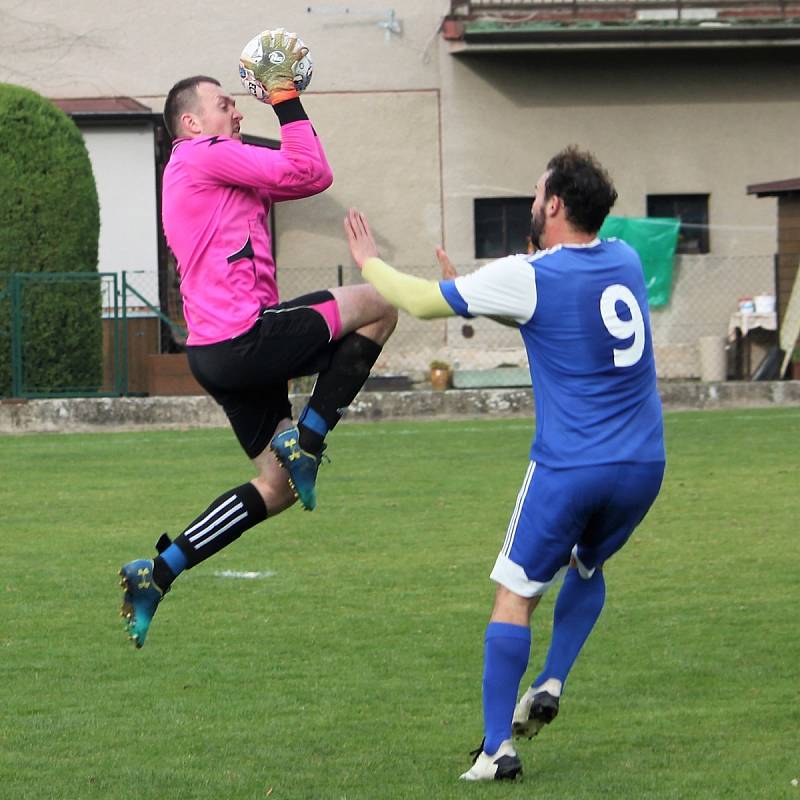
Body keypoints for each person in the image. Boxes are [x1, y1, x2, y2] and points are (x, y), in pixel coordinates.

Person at [343, 146, 665, 782]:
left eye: (537, 192)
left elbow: (423, 301)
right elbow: (560, 318)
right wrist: (479, 288)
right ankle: (551, 678)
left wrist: (368, 262)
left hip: (572, 466)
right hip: (644, 462)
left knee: (515, 595)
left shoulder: (530, 273)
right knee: (588, 564)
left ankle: (495, 751)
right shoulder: (624, 258)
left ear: (556, 204)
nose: (531, 200)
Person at [119, 29, 397, 649]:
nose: (235, 109)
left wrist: (281, 101)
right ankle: (312, 437)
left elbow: (294, 177)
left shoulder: (208, 168)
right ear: (192, 123)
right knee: (380, 303)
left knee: (273, 489)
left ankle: (156, 572)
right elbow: (313, 170)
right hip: (245, 339)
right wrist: (286, 97)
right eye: (224, 104)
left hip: (217, 354)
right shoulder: (200, 156)